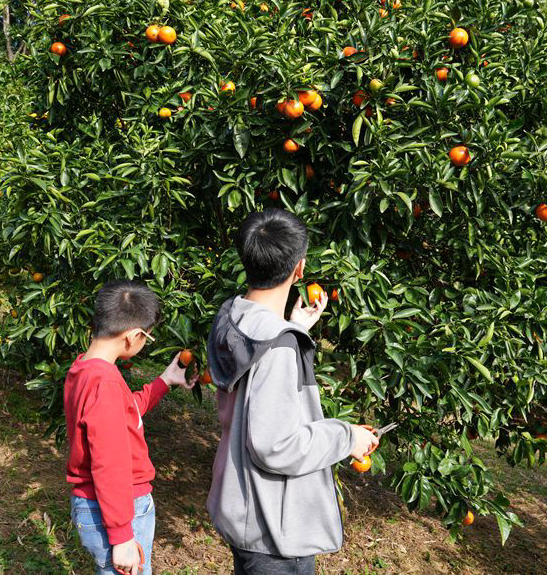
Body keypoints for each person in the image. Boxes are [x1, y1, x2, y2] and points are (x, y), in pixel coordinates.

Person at [206, 209, 378, 574]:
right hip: (274, 532)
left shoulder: (233, 317)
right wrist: (348, 437)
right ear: (299, 268)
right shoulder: (278, 345)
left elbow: (254, 365)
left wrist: (290, 326)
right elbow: (276, 445)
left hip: (243, 507)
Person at [64, 279, 195, 574]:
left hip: (101, 506)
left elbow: (124, 412)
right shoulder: (106, 382)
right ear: (133, 336)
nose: (143, 342)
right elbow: (109, 463)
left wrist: (164, 381)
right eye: (146, 337)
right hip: (119, 510)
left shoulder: (85, 368)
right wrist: (122, 535)